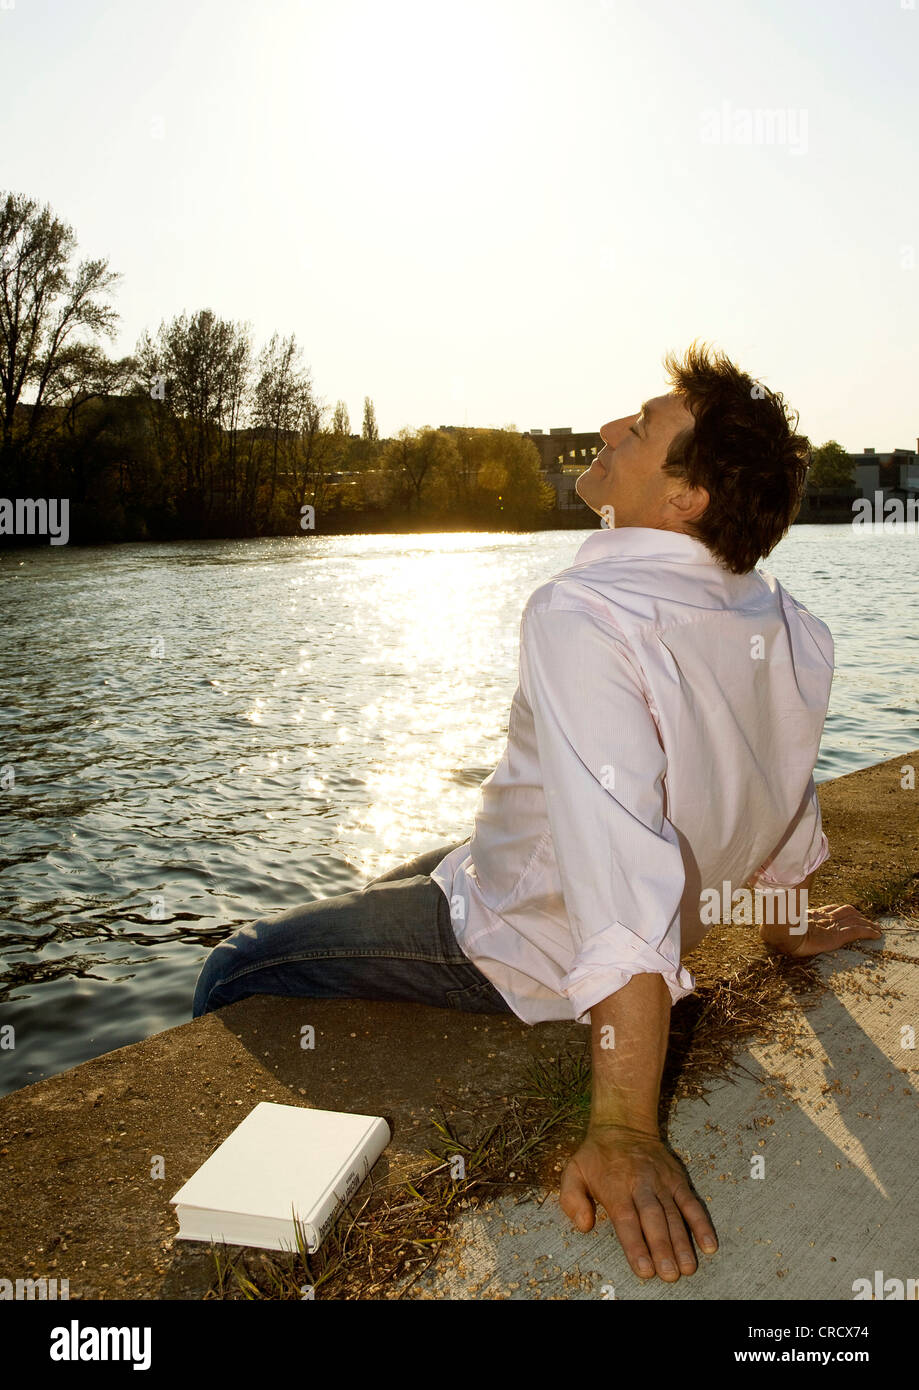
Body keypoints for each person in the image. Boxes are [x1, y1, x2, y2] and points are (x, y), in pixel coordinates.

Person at [192, 339, 881, 1283]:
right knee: (402, 875)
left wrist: (622, 1130)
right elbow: (775, 794)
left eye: (639, 429)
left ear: (686, 501)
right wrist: (784, 924)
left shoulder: (584, 611)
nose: (607, 428)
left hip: (522, 942)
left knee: (231, 968)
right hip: (521, 871)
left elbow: (620, 869)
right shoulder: (791, 622)